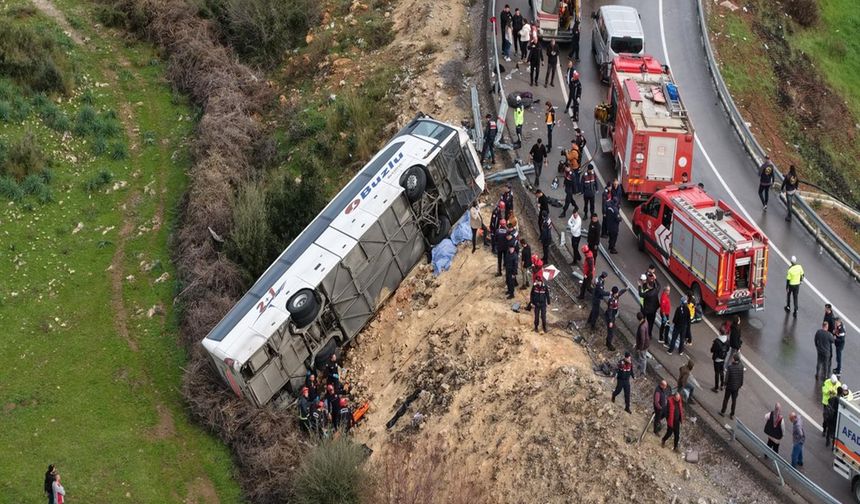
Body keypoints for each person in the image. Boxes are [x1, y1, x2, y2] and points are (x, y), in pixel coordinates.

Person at [720, 354, 744, 419]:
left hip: (730, 386)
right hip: (736, 387)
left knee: (726, 399)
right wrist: (741, 384)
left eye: (733, 358)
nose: (732, 359)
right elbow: (741, 377)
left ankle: (723, 411)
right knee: (734, 401)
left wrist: (724, 385)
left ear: (734, 359)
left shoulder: (730, 367)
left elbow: (727, 377)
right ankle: (732, 414)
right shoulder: (741, 366)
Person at [605, 286, 625, 350]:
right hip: (610, 316)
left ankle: (608, 341)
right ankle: (608, 344)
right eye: (616, 293)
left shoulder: (615, 296)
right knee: (610, 331)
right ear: (614, 293)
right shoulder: (611, 300)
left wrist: (626, 289)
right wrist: (610, 321)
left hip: (613, 314)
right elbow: (610, 311)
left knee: (611, 330)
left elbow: (620, 293)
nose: (617, 294)